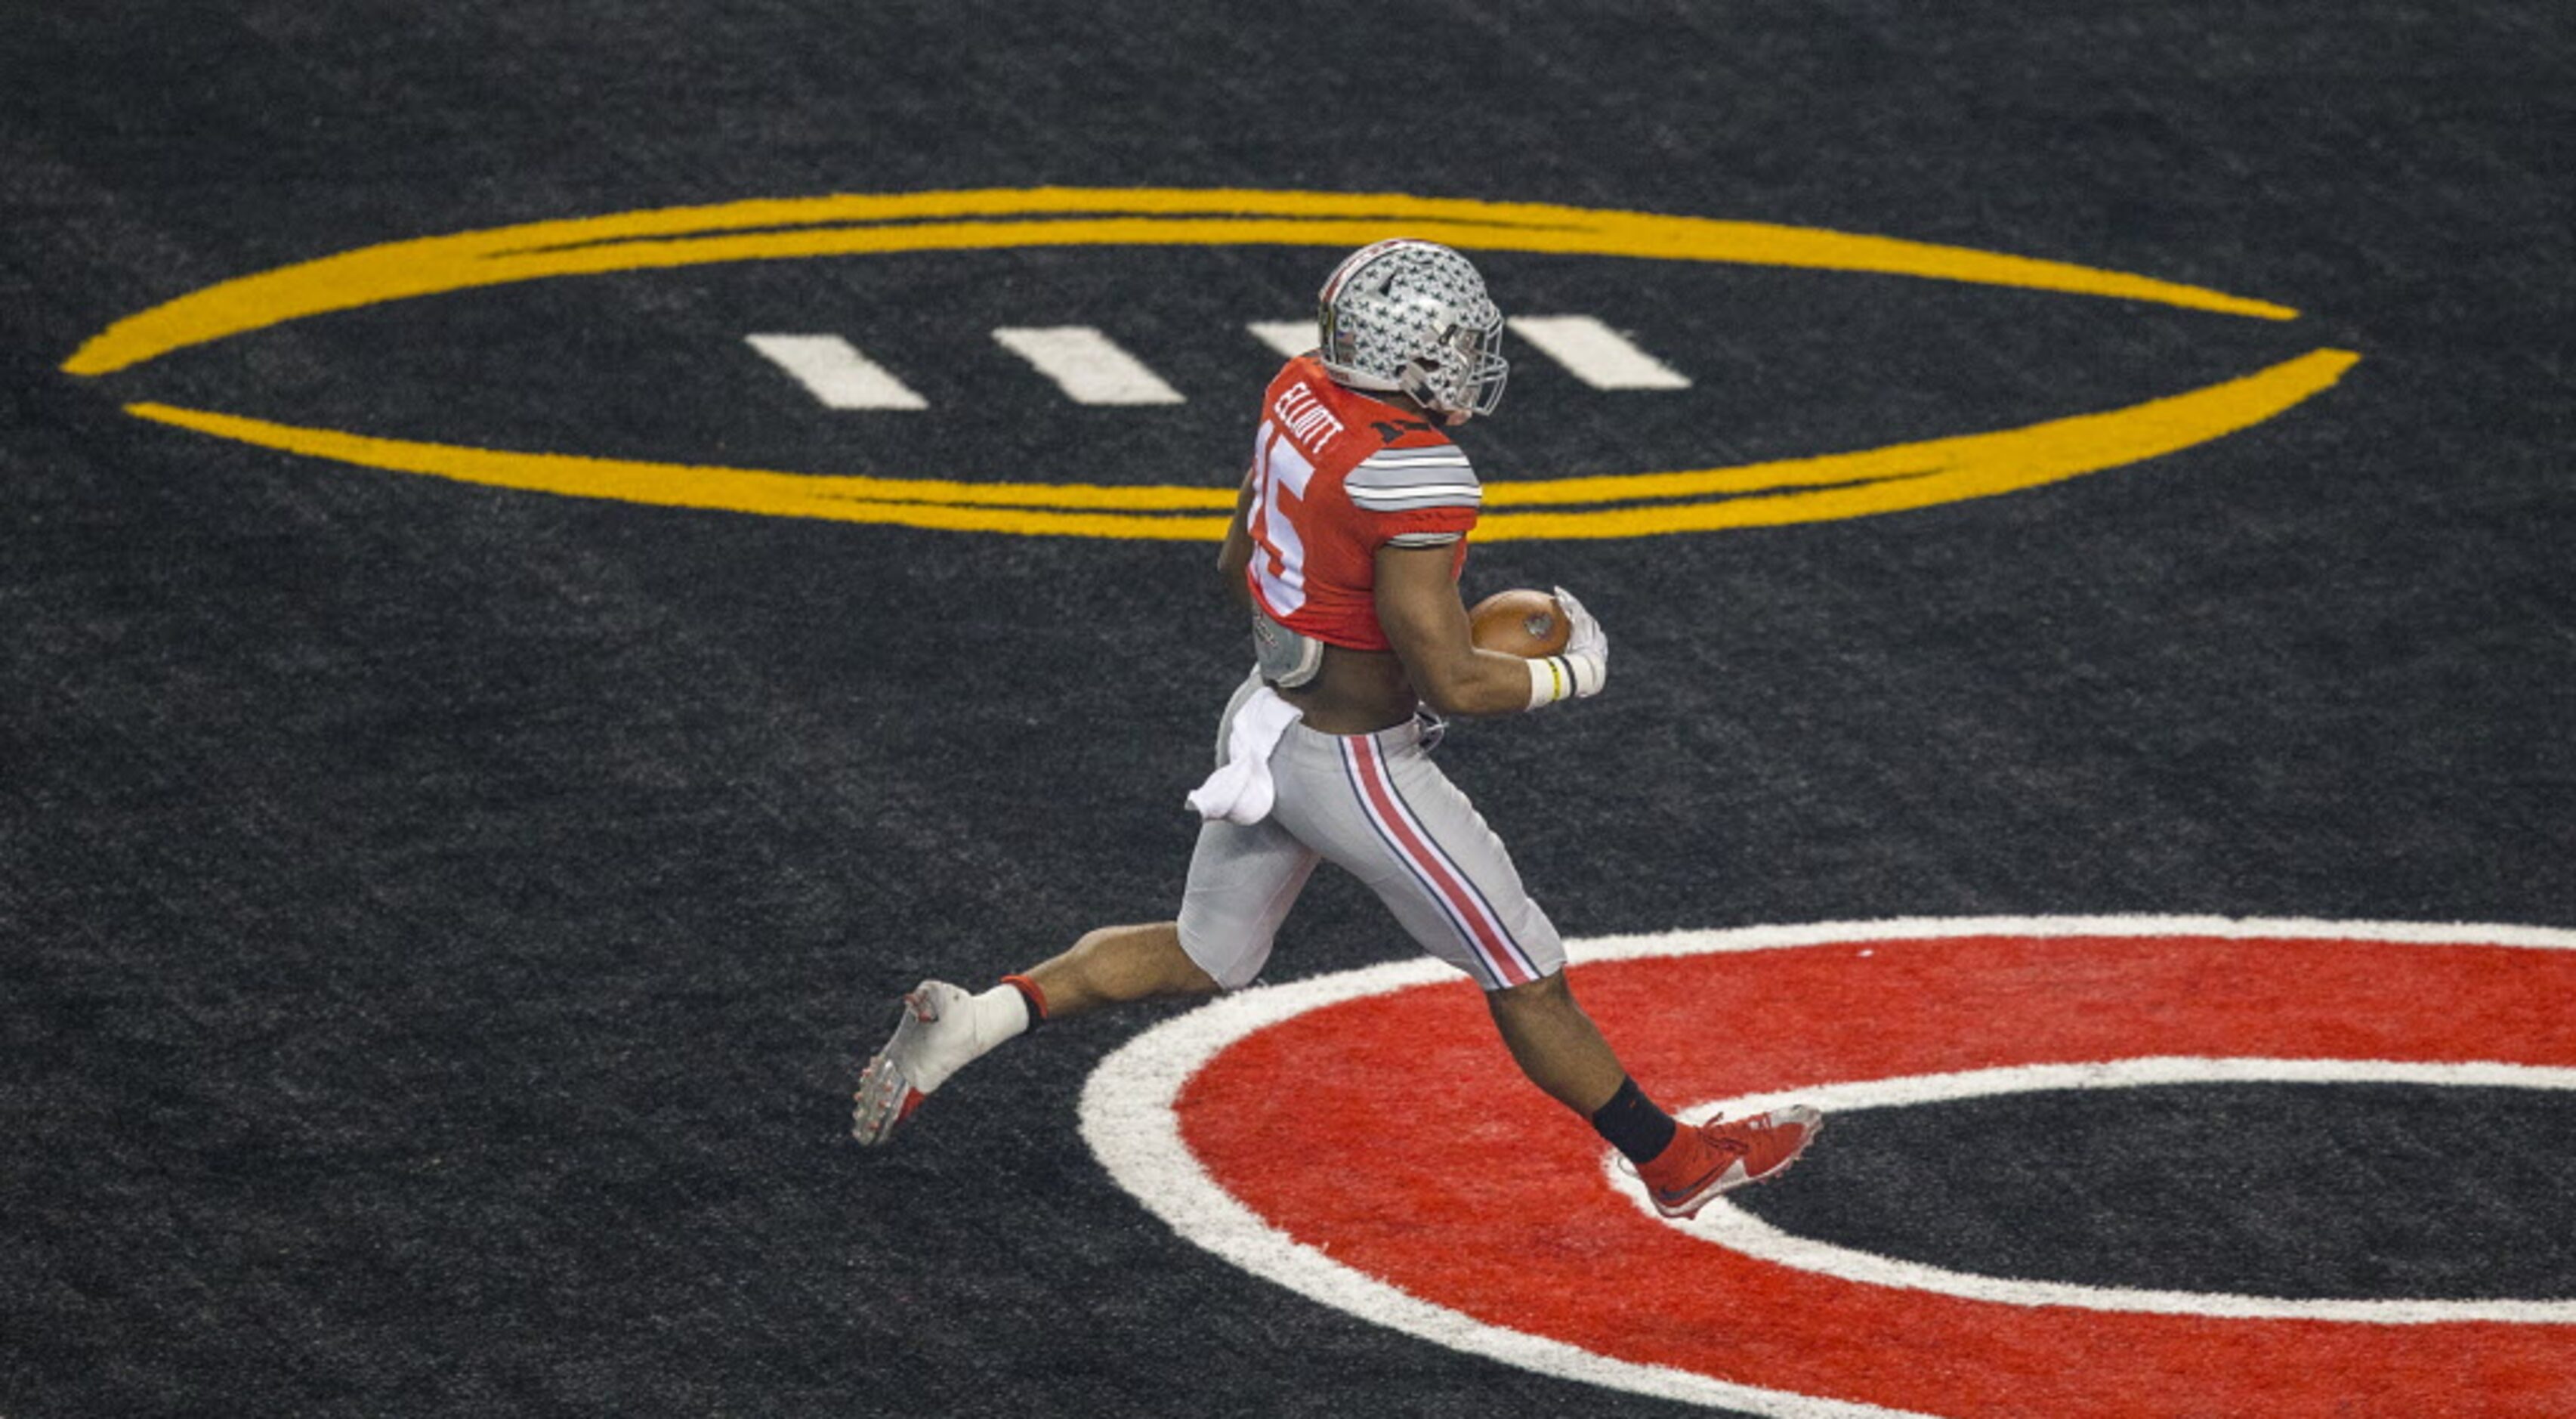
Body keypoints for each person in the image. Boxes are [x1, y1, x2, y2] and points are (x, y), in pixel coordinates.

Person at [852, 239, 1818, 1218]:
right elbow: (1455, 678)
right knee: (1525, 974)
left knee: (1206, 952)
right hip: (1355, 766)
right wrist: (1573, 671)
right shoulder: (1416, 474)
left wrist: (1337, 633)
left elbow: (1237, 565)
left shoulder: (1299, 390)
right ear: (1409, 355)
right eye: (1453, 343)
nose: (1470, 360)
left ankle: (975, 1019)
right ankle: (1676, 1163)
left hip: (1265, 717)